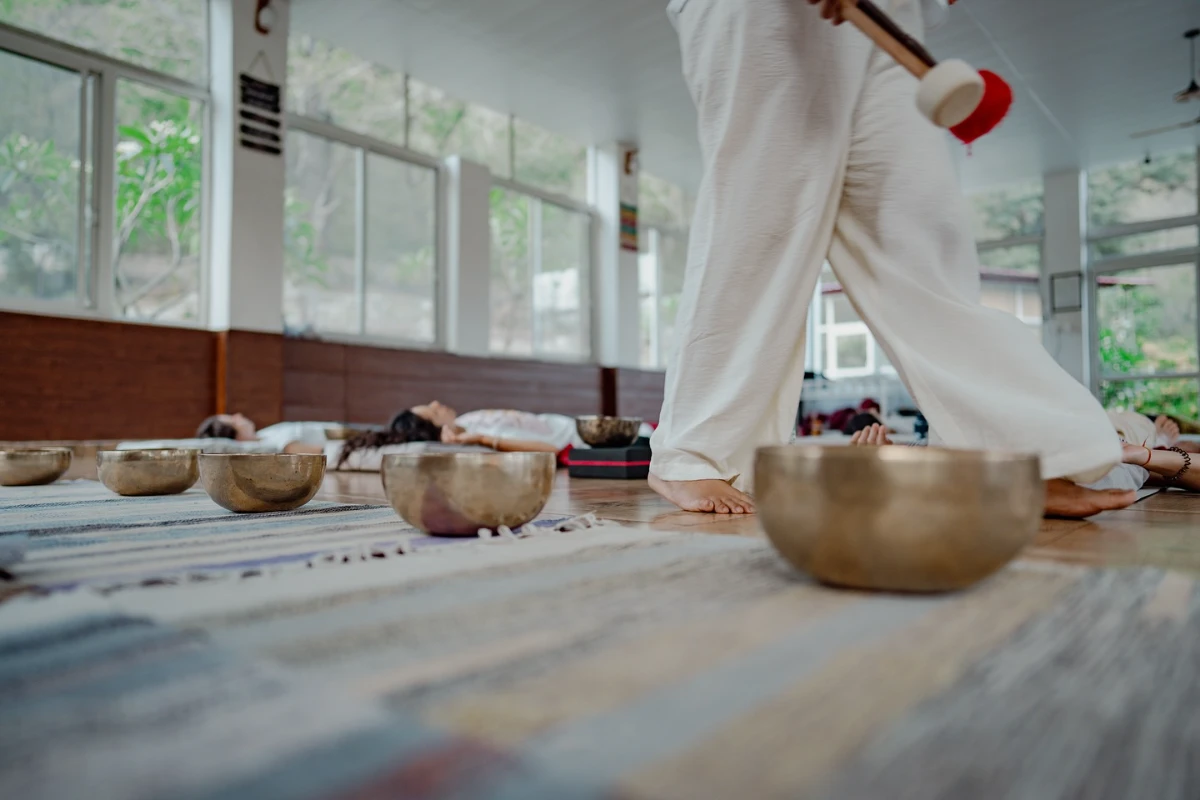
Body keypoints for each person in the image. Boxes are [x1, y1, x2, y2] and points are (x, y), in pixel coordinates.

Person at [647, 0, 1133, 518]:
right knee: (759, 229)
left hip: (892, 13)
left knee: (922, 240)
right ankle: (693, 453)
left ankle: (1013, 457)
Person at [850, 417, 1198, 494]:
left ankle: (1165, 435)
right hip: (1089, 422)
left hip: (1129, 428)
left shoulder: (1117, 461)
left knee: (1172, 441)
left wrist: (1148, 451)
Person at [196, 413, 333, 451]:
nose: (239, 415)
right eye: (233, 420)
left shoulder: (264, 434)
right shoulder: (271, 444)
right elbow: (322, 453)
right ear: (236, 436)